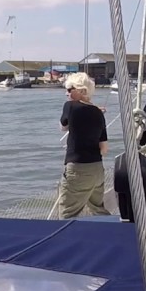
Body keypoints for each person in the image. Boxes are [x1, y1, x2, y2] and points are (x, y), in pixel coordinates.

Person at [57, 73, 110, 218]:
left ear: (81, 90)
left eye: (69, 89)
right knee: (98, 211)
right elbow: (104, 148)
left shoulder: (70, 106)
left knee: (67, 214)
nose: (66, 93)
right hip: (97, 169)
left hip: (78, 169)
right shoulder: (98, 113)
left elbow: (63, 126)